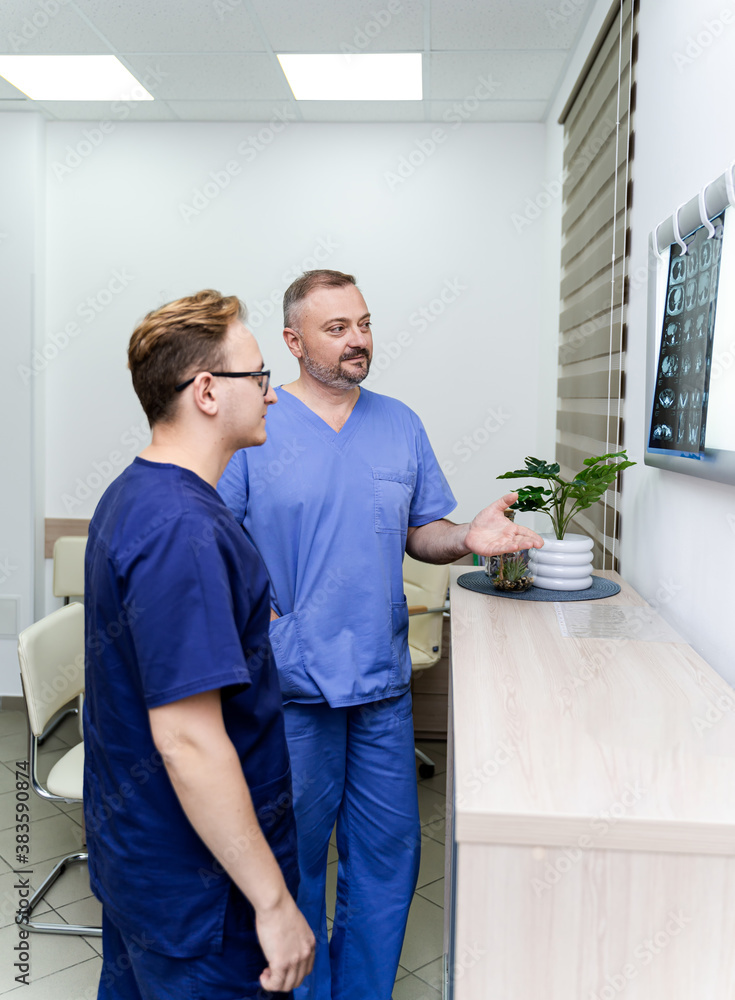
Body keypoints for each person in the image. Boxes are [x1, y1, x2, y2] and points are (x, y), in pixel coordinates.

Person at [217, 270, 543, 999]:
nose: (357, 338)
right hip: (290, 688)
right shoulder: (258, 426)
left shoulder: (399, 423)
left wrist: (467, 537)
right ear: (294, 343)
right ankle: (303, 990)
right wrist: (261, 617)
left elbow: (421, 533)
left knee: (387, 856)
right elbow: (215, 535)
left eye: (362, 322)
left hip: (379, 685)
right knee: (291, 856)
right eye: (336, 328)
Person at [83, 289, 315, 1000]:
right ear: (208, 391)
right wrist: (274, 905)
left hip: (143, 867)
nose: (272, 395)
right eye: (259, 376)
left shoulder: (133, 493)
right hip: (198, 895)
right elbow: (186, 741)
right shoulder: (184, 530)